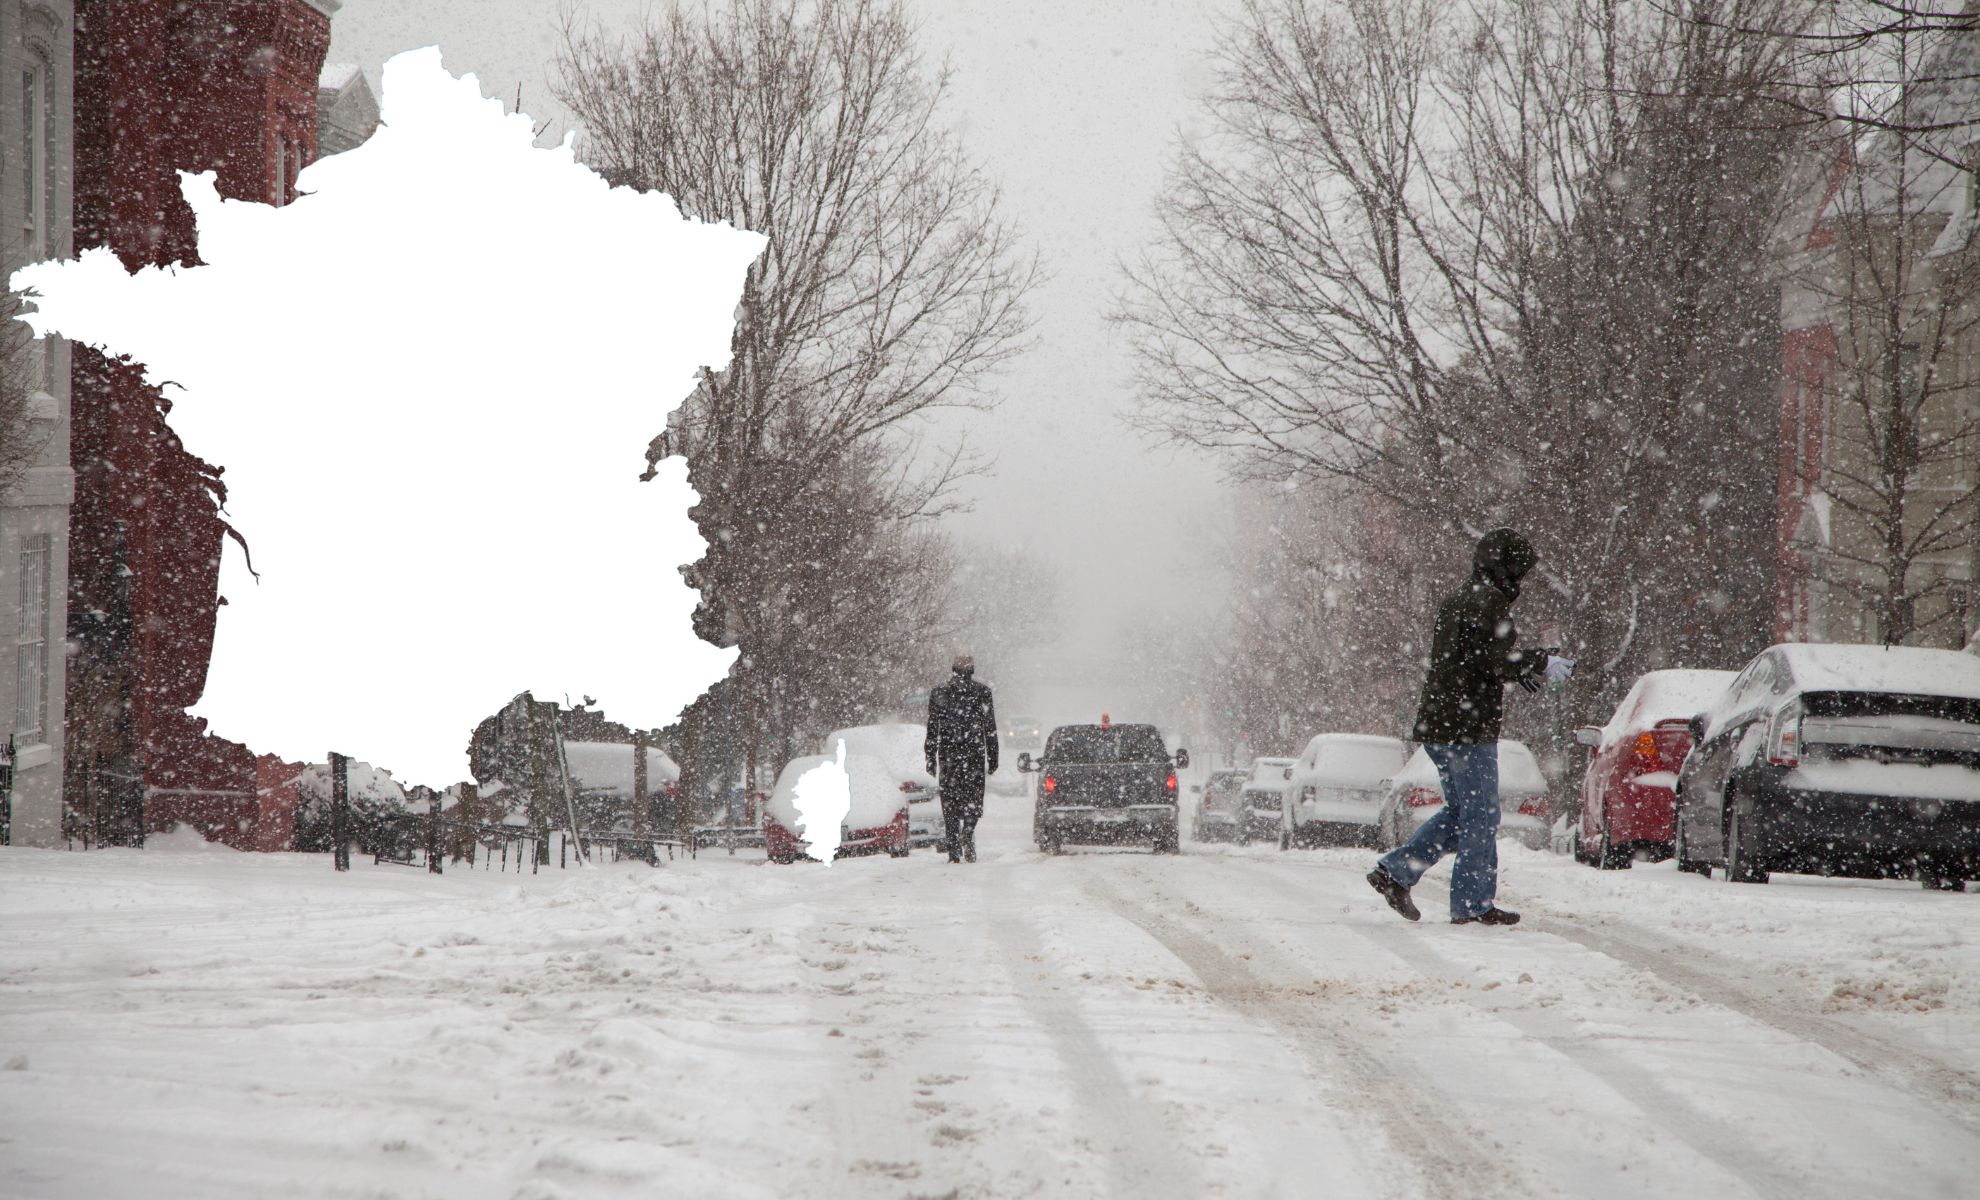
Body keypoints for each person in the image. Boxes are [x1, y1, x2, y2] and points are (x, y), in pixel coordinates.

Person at [1366, 528, 1572, 926]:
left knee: (1463, 813)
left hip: (1442, 721)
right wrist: (1538, 662)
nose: (1521, 580)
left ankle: (1396, 873)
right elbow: (1490, 658)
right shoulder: (1487, 601)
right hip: (1467, 725)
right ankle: (1472, 905)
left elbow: (1473, 660)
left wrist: (1519, 665)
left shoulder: (1463, 596)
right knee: (1481, 816)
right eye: (1519, 570)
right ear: (1504, 566)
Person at [925, 654, 998, 863]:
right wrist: (993, 757)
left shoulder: (940, 692)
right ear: (972, 670)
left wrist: (930, 757)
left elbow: (932, 728)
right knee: (973, 800)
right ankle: (968, 829)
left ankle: (954, 852)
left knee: (949, 804)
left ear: (953, 669)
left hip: (948, 755)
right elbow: (990, 728)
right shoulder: (982, 692)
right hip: (974, 754)